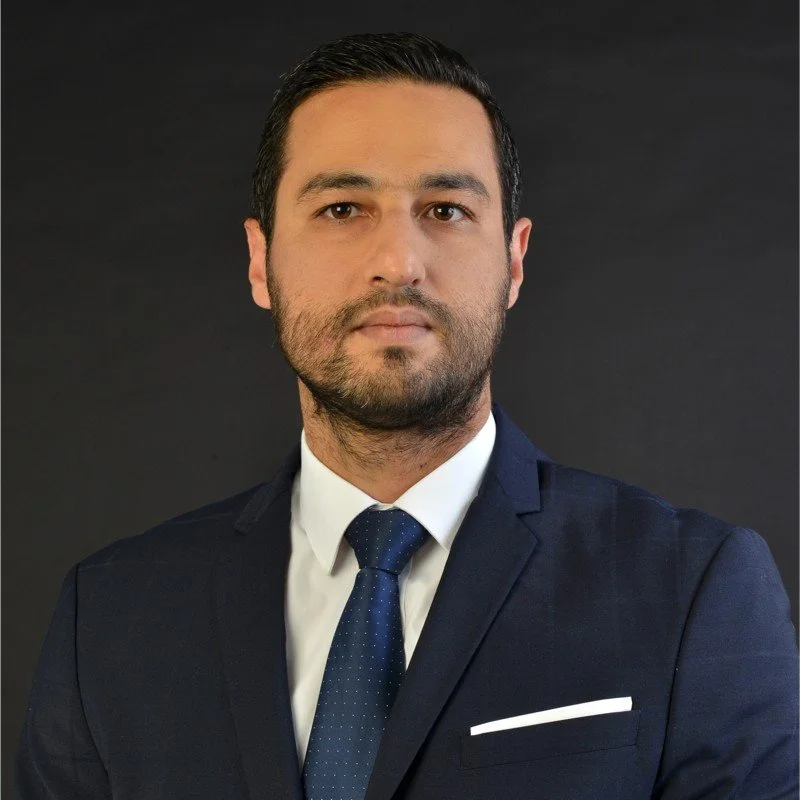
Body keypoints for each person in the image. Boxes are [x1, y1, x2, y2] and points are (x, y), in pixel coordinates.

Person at [15, 32, 798, 800]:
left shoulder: (693, 589)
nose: (397, 261)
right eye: (343, 207)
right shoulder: (111, 619)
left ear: (514, 261)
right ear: (261, 263)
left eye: (447, 209)